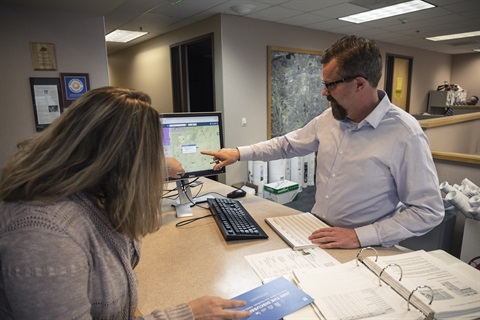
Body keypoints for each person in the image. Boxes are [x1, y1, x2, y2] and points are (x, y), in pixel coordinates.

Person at [0, 87, 251, 320]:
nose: (155, 163)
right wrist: (186, 315)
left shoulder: (94, 186)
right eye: (151, 155)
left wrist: (162, 166)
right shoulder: (42, 233)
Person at [202, 35, 444, 249]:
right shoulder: (329, 119)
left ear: (359, 84)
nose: (324, 93)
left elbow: (428, 211)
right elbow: (287, 144)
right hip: (316, 232)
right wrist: (238, 152)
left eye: (330, 85)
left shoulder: (405, 134)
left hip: (364, 248)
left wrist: (359, 236)